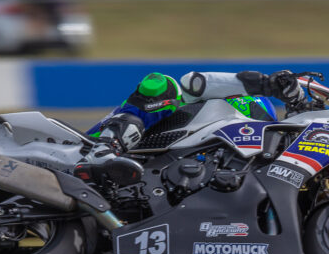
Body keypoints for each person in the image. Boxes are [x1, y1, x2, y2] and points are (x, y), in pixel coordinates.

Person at [74, 70, 305, 186]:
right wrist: (267, 85)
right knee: (163, 86)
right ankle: (105, 147)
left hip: (135, 180)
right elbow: (193, 81)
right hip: (84, 147)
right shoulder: (195, 105)